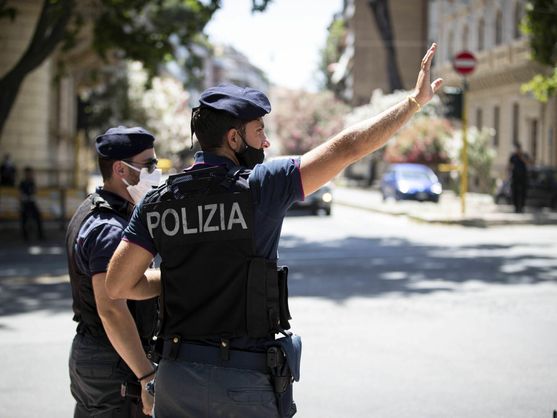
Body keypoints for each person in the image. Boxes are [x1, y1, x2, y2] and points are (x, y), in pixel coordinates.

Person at [106, 44, 443, 417]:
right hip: (242, 379)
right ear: (234, 139)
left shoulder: (158, 201)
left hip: (176, 378)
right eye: (258, 131)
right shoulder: (263, 185)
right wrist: (413, 102)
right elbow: (348, 147)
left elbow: (120, 285)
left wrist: (180, 277)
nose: (265, 142)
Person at [65, 126, 162, 417]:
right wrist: (146, 378)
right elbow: (112, 308)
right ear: (121, 169)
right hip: (114, 360)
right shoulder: (110, 228)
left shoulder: (94, 210)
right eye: (148, 165)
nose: (154, 172)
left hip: (101, 356)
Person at [19, 166, 44, 241]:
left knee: (38, 217)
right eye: (29, 173)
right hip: (25, 203)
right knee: (24, 219)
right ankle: (25, 236)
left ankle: (40, 235)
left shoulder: (32, 182)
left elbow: (34, 191)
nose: (30, 175)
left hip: (32, 203)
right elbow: (20, 194)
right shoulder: (23, 183)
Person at [508, 142, 530, 213]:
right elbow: (510, 166)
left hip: (523, 177)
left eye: (518, 149)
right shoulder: (513, 156)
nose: (517, 150)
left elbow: (528, 163)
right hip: (515, 177)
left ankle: (522, 207)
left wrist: (521, 157)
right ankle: (516, 207)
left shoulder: (524, 155)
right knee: (515, 192)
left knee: (523, 192)